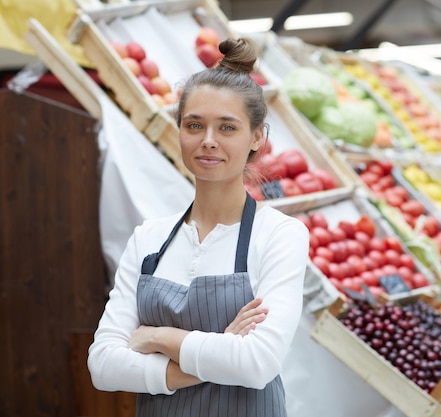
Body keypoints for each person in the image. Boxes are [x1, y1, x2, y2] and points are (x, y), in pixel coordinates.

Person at [87, 37, 310, 417]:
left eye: (227, 128)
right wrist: (220, 348)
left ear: (257, 137)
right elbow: (103, 366)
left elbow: (258, 363)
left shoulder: (279, 235)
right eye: (195, 125)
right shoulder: (149, 239)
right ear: (179, 130)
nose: (208, 141)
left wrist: (158, 337)